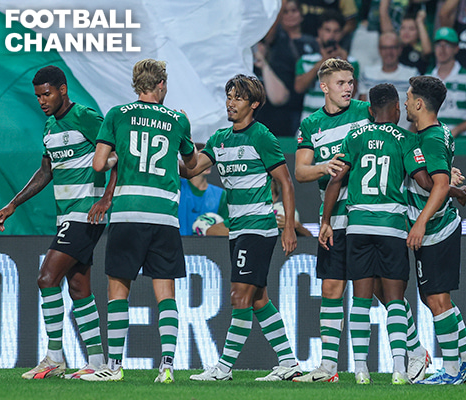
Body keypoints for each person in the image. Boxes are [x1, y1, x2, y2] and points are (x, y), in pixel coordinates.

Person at [293, 59, 431, 384]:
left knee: (381, 291)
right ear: (324, 86)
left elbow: (395, 139)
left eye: (350, 82)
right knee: (331, 287)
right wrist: (327, 166)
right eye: (340, 83)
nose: (348, 88)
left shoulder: (366, 112)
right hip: (334, 218)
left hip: (361, 216)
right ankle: (328, 367)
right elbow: (300, 171)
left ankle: (415, 350)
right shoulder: (311, 124)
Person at [0, 65, 116, 379]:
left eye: (46, 94)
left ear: (63, 89)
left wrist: (107, 199)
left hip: (86, 214)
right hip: (67, 216)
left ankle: (54, 358)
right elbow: (46, 171)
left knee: (47, 277)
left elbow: (120, 155)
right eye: (38, 96)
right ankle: (97, 362)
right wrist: (13, 203)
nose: (42, 101)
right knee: (78, 287)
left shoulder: (86, 117)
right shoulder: (49, 127)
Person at [81, 59, 198, 383]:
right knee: (166, 293)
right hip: (164, 216)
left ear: (137, 84)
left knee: (118, 291)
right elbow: (191, 164)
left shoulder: (117, 114)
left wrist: (121, 154)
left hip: (128, 212)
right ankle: (167, 366)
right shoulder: (177, 119)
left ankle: (114, 366)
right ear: (161, 84)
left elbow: (99, 164)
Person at [187, 74, 302, 382]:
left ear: (254, 104)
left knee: (239, 296)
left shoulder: (262, 136)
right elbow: (189, 169)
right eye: (229, 96)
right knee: (258, 298)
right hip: (237, 229)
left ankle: (223, 369)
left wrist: (289, 228)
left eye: (238, 98)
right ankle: (289, 362)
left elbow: (286, 183)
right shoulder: (219, 139)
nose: (231, 102)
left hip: (258, 226)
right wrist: (182, 139)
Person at [405, 75, 466, 384]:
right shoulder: (436, 133)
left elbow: (439, 185)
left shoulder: (431, 138)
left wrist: (420, 223)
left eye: (408, 97)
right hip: (439, 227)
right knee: (434, 298)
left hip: (436, 229)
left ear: (419, 104)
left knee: (437, 300)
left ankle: (452, 371)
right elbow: (437, 178)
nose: (405, 103)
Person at [254, 0, 319, 136]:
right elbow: (269, 31)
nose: (290, 15)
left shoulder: (312, 42)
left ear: (301, 15)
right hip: (278, 103)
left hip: (303, 102)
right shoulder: (276, 38)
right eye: (285, 12)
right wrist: (281, 4)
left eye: (294, 11)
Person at [294, 10, 359, 122]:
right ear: (319, 31)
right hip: (311, 123)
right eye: (327, 30)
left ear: (341, 33)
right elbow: (299, 88)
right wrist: (322, 63)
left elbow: (353, 94)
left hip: (339, 123)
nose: (331, 36)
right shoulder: (306, 60)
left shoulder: (351, 62)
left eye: (336, 31)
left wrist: (344, 62)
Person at [429, 28, 466, 138]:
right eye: (439, 45)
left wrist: (457, 129)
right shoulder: (426, 79)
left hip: (462, 141)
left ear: (456, 49)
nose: (442, 49)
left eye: (447, 45)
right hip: (434, 142)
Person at [358, 32, 420, 129]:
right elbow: (362, 109)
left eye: (393, 47)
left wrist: (410, 136)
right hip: (374, 134)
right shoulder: (367, 74)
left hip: (404, 135)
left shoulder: (412, 75)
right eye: (385, 48)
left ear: (400, 49)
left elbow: (418, 110)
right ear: (379, 50)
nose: (389, 52)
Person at [178, 143, 229, 236]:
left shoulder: (221, 195)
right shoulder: (178, 187)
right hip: (178, 242)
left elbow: (228, 225)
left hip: (208, 244)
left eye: (208, 158)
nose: (206, 163)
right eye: (201, 158)